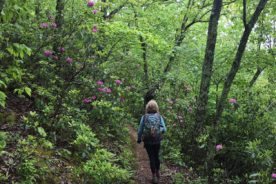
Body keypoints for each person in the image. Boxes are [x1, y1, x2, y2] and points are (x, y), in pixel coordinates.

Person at [137, 100, 167, 184]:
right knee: (156, 156)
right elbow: (164, 129)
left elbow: (140, 130)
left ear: (147, 108)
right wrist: (158, 130)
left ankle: (154, 176)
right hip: (157, 140)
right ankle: (158, 172)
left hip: (147, 141)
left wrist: (139, 139)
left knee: (151, 157)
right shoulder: (159, 117)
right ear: (156, 107)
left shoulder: (144, 117)